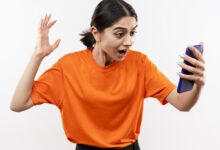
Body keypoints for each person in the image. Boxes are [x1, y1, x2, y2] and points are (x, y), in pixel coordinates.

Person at [10, 0, 205, 149]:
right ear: (96, 33)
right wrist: (38, 56)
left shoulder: (140, 64)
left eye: (132, 32)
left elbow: (182, 103)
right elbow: (18, 104)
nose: (129, 41)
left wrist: (197, 84)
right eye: (120, 34)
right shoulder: (68, 67)